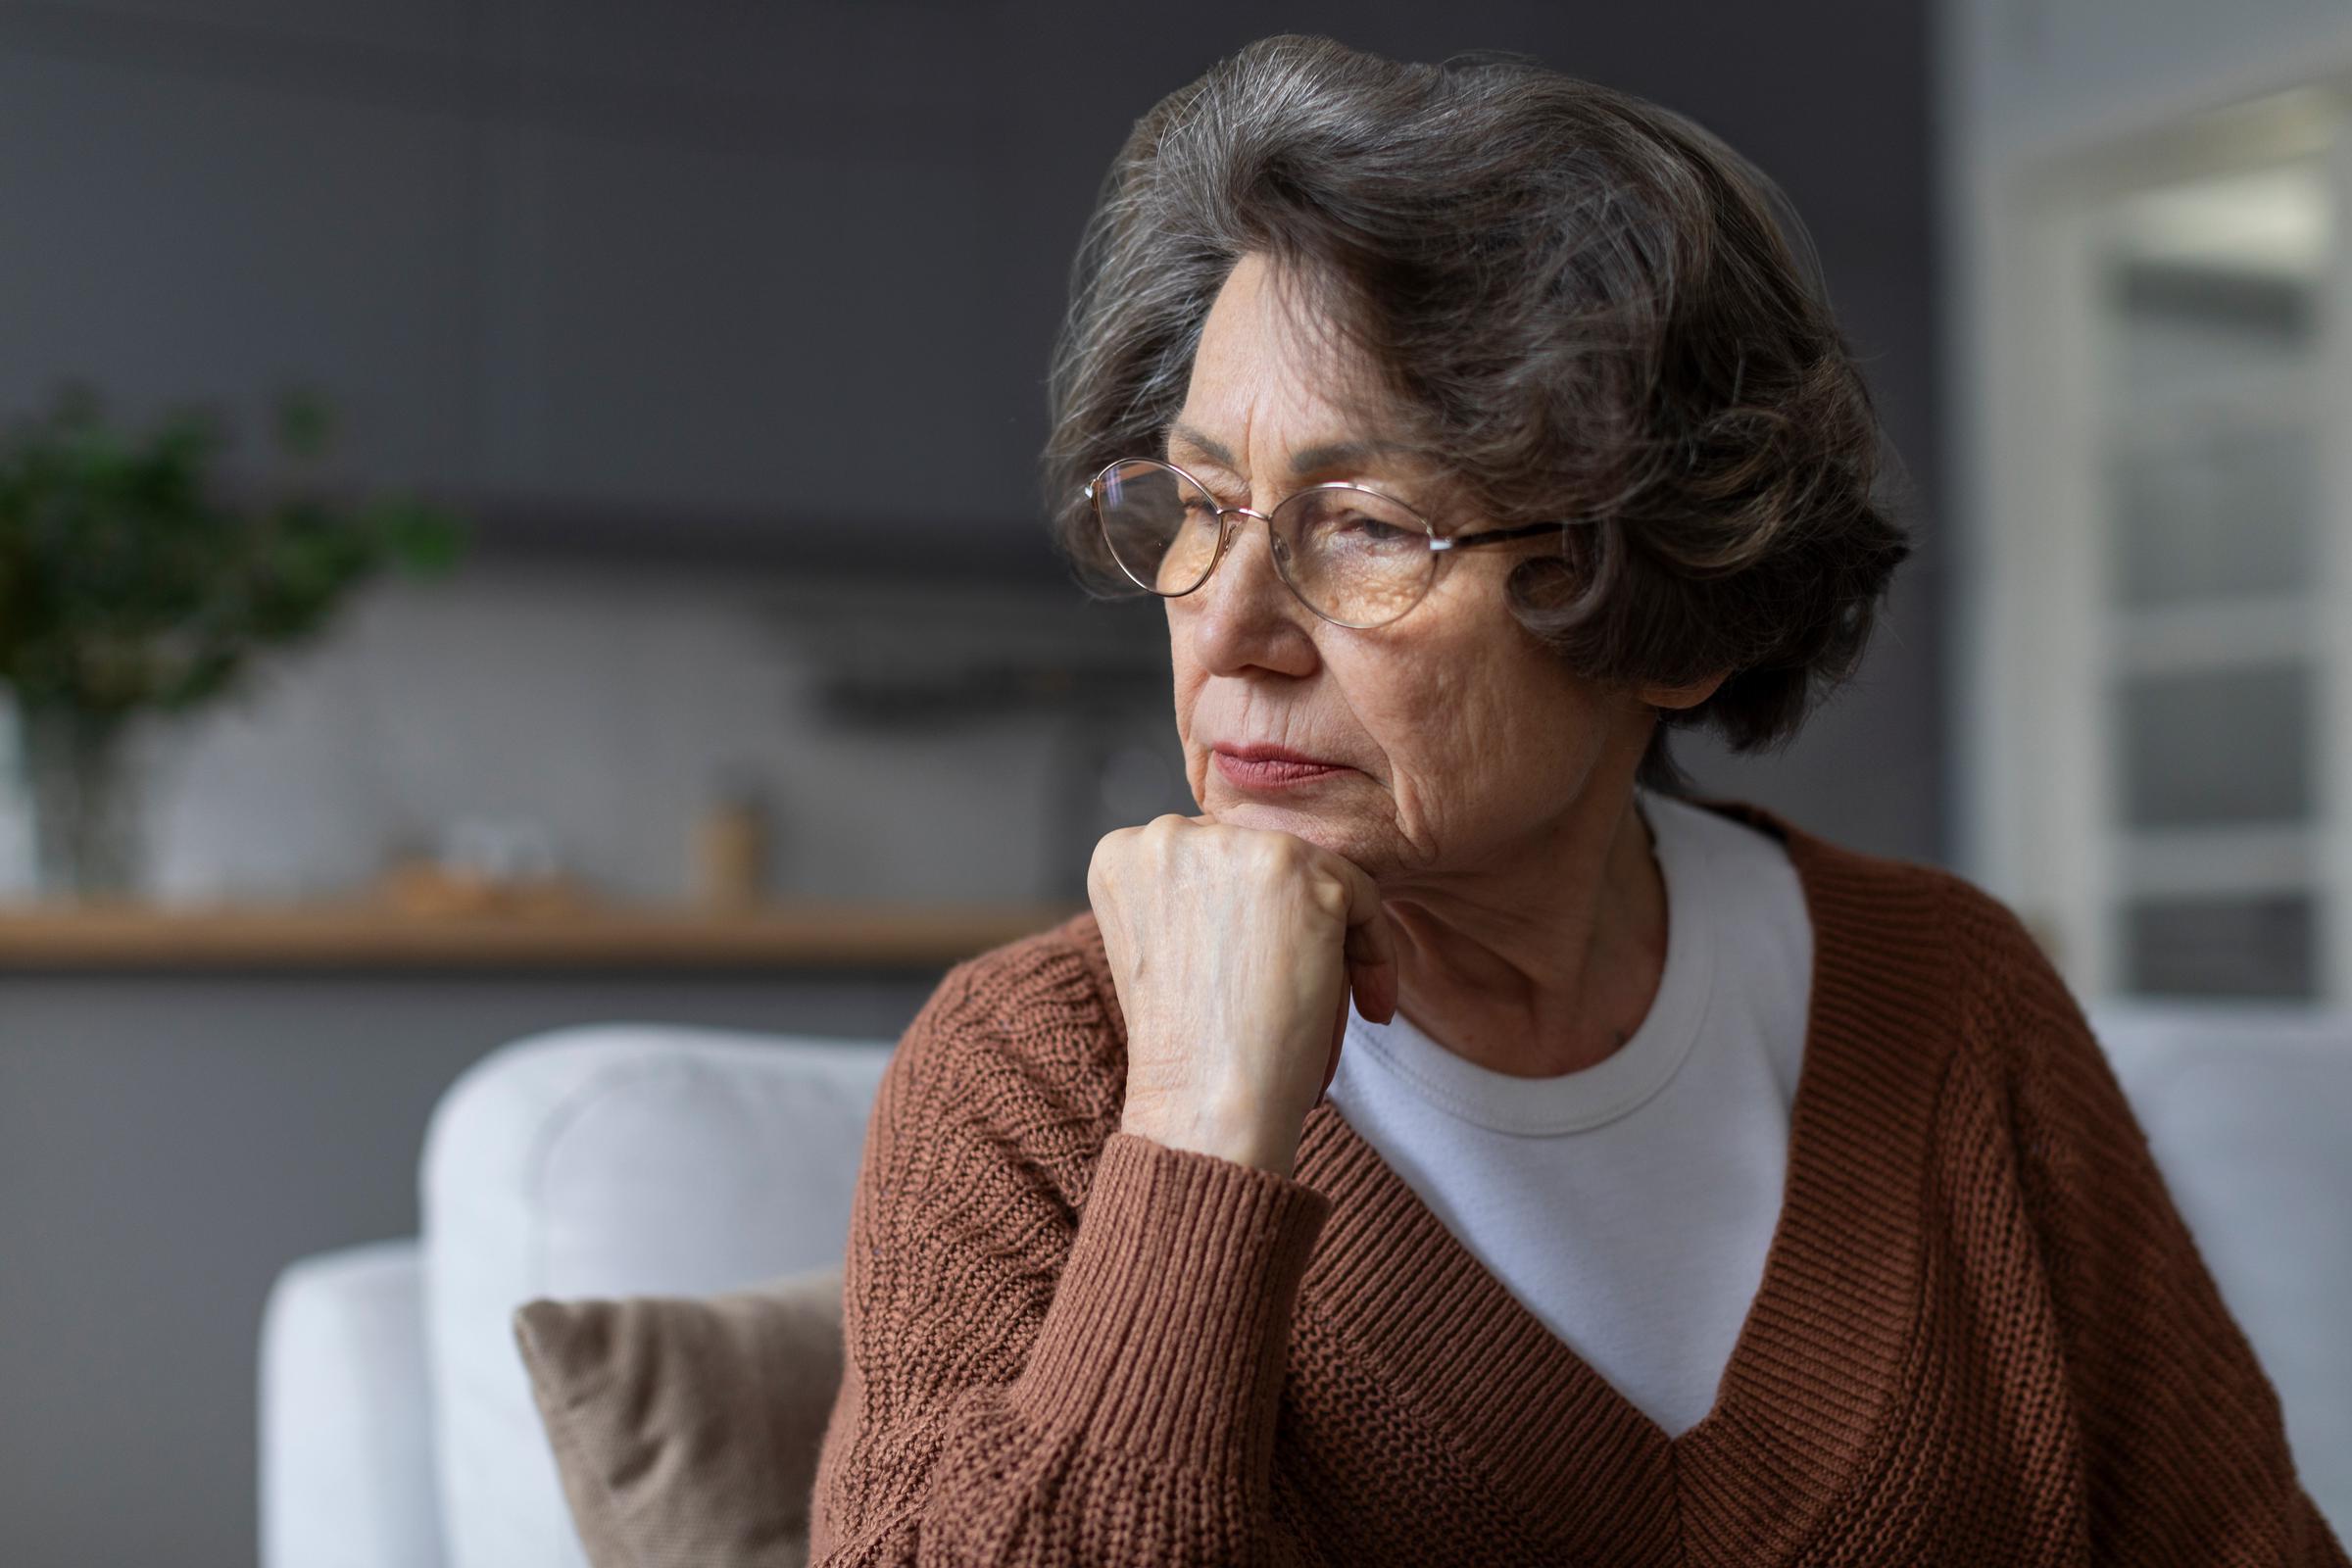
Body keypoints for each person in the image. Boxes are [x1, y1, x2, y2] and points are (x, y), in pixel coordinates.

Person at [809, 32, 2348, 1566]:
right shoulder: (1037, 1080)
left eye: (1368, 526)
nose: (1229, 627)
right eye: (1202, 505)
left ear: (1670, 609)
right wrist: (1202, 1131)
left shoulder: (1954, 1000)